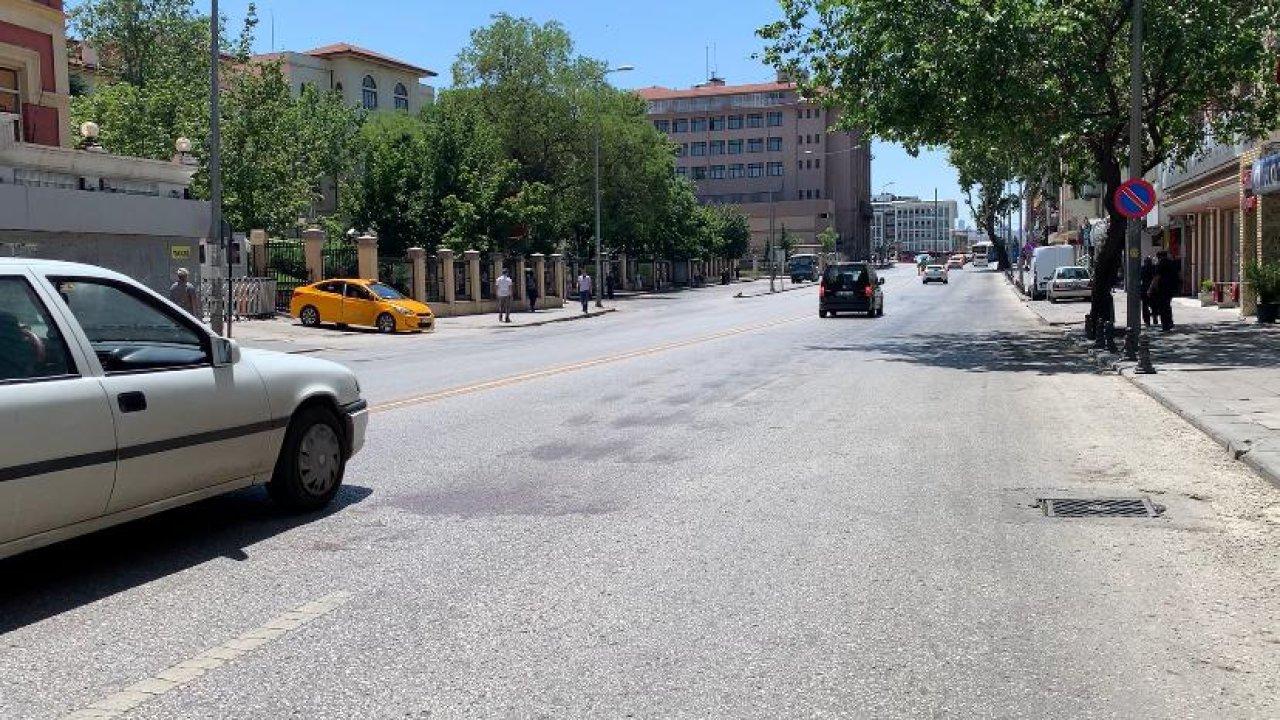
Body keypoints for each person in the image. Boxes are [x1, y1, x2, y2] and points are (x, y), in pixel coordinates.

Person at [1151, 250, 1178, 332]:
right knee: (1167, 306)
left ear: (1159, 256)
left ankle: (1165, 325)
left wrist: (1151, 288)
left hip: (1162, 288)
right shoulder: (1172, 263)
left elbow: (1157, 277)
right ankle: (1170, 322)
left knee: (1162, 307)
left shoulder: (1160, 264)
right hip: (1171, 288)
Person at [1139, 256, 1156, 327]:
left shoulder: (1142, 268)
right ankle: (1154, 316)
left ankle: (1147, 321)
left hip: (1144, 288)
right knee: (1153, 304)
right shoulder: (1154, 268)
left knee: (1145, 305)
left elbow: (1140, 278)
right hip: (1153, 289)